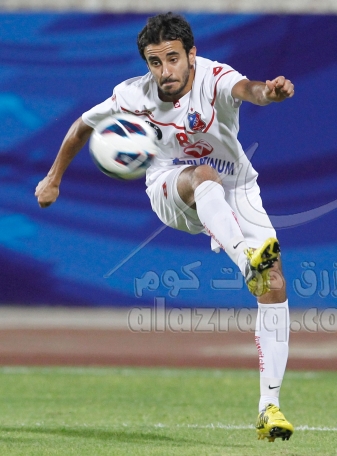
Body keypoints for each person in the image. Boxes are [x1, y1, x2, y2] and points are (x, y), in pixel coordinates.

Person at [35, 12, 294, 443]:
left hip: (238, 187)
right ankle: (246, 260)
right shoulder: (133, 95)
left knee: (276, 284)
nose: (165, 71)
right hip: (169, 186)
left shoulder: (214, 77)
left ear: (192, 55)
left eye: (173, 58)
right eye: (155, 62)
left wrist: (270, 92)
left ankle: (269, 407)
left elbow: (249, 90)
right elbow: (83, 126)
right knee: (204, 176)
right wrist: (53, 178)